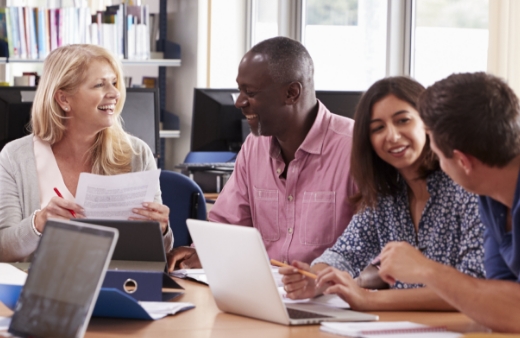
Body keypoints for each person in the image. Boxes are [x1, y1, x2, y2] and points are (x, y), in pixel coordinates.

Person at [280, 76, 485, 311]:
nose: (392, 136)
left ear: (427, 123)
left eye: (403, 120)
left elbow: (474, 288)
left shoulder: (466, 186)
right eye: (378, 128)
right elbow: (345, 253)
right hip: (406, 328)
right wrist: (314, 279)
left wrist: (370, 300)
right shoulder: (386, 194)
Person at [168, 36, 357, 270]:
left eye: (251, 92)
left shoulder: (355, 149)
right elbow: (228, 225)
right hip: (264, 294)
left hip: (330, 298)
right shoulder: (254, 147)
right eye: (240, 90)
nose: (239, 102)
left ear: (292, 93)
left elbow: (374, 251)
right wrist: (201, 253)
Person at [0, 44, 172, 262]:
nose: (114, 93)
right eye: (100, 84)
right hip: (41, 290)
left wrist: (162, 229)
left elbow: (161, 252)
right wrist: (38, 223)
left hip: (117, 286)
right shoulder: (15, 157)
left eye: (114, 83)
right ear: (63, 99)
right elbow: (4, 249)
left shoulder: (137, 154)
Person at [378, 72, 520, 332]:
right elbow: (498, 299)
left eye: (434, 146)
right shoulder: (491, 199)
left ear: (463, 162)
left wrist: (426, 270)